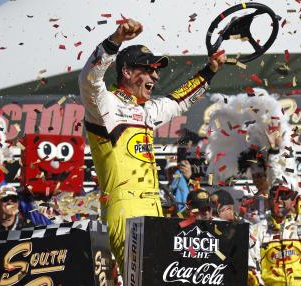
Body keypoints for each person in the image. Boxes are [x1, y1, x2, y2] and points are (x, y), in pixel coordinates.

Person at [78, 18, 226, 268]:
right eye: (148, 69)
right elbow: (89, 80)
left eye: (156, 70)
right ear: (126, 72)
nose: (155, 76)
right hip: (124, 207)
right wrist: (115, 42)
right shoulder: (105, 105)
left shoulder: (146, 110)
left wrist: (209, 70)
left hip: (154, 208)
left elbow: (181, 100)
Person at [248, 182, 301, 286]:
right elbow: (251, 266)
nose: (279, 201)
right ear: (268, 202)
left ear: (292, 201)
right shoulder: (255, 230)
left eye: (284, 197)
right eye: (275, 197)